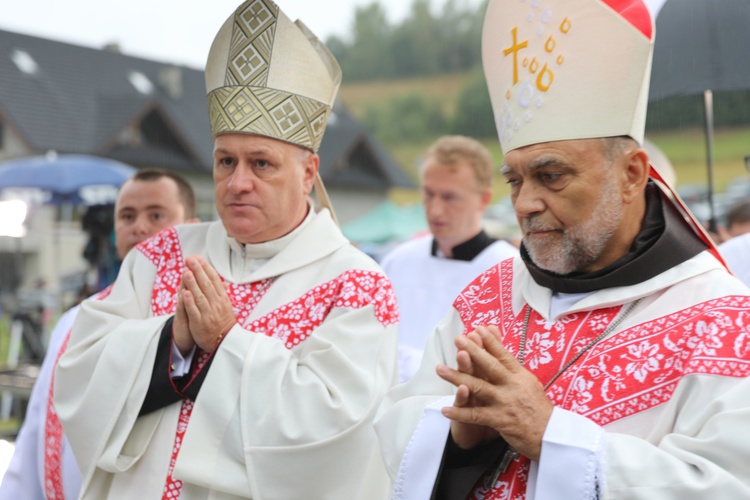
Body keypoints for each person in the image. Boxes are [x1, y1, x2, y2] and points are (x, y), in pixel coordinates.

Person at [375, 1, 750, 498]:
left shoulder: (721, 319)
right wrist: (458, 435)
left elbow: (724, 484)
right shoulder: (489, 297)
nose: (526, 204)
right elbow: (397, 430)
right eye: (515, 179)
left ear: (631, 174)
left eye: (552, 176)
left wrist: (552, 436)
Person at [54, 2, 398, 499]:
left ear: (308, 172)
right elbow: (79, 371)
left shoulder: (356, 286)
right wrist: (173, 341)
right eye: (224, 161)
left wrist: (225, 342)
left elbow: (337, 434)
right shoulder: (161, 256)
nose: (238, 183)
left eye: (261, 163)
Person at [0, 168, 198, 500]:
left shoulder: (201, 320)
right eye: (127, 215)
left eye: (157, 214)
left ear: (192, 228)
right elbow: (39, 423)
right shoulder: (77, 318)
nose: (139, 226)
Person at [380, 135, 517, 382]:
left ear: (483, 199)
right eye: (429, 194)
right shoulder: (397, 261)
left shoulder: (510, 271)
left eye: (450, 197)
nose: (435, 210)